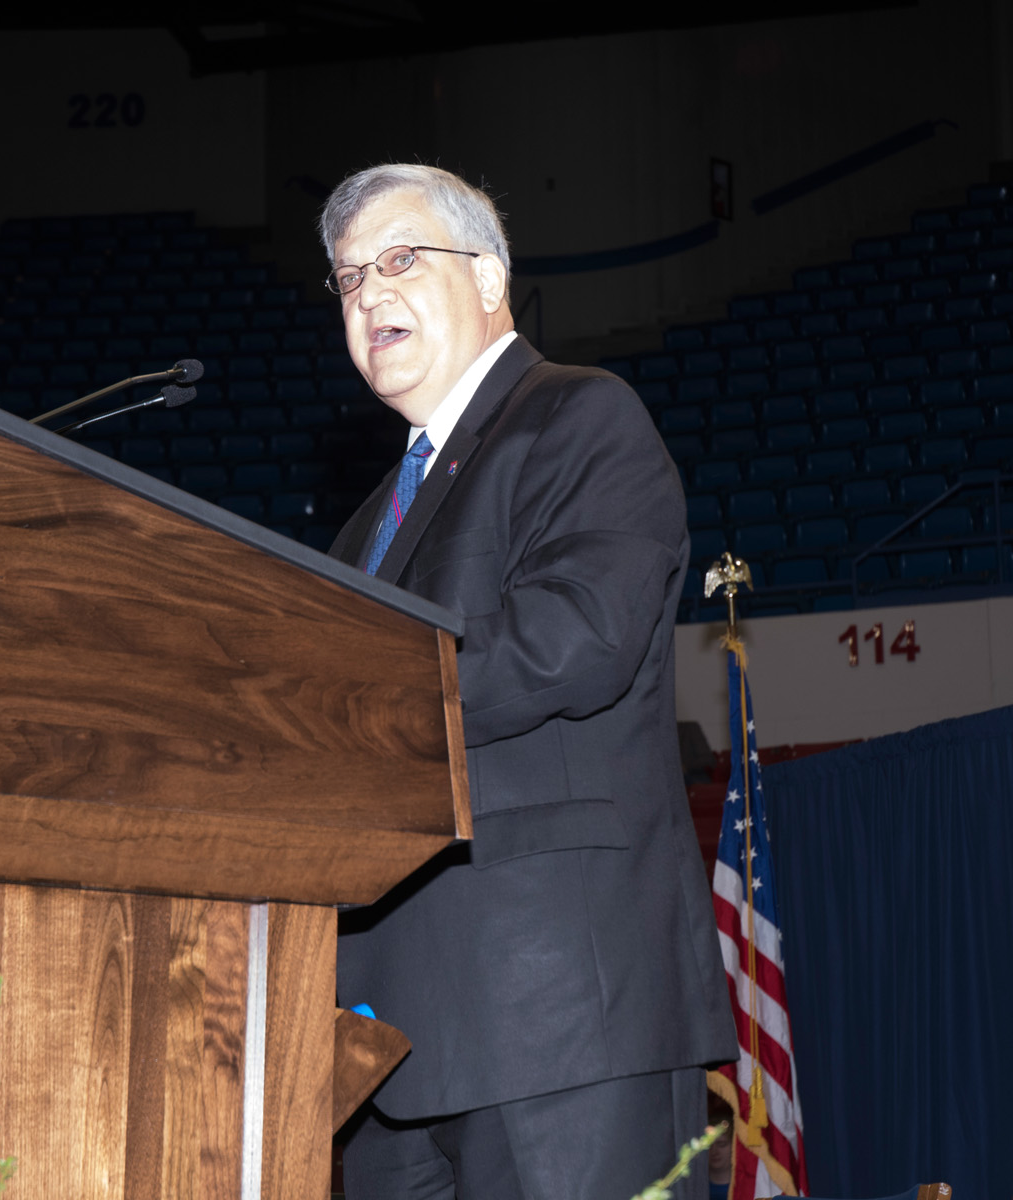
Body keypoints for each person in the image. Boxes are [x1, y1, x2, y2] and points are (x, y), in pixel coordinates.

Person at [319, 163, 735, 1200]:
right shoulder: (362, 525)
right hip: (375, 1052)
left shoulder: (579, 418)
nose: (369, 294)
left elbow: (577, 635)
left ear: (492, 275)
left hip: (555, 1020)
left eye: (401, 259)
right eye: (347, 279)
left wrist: (346, 711)